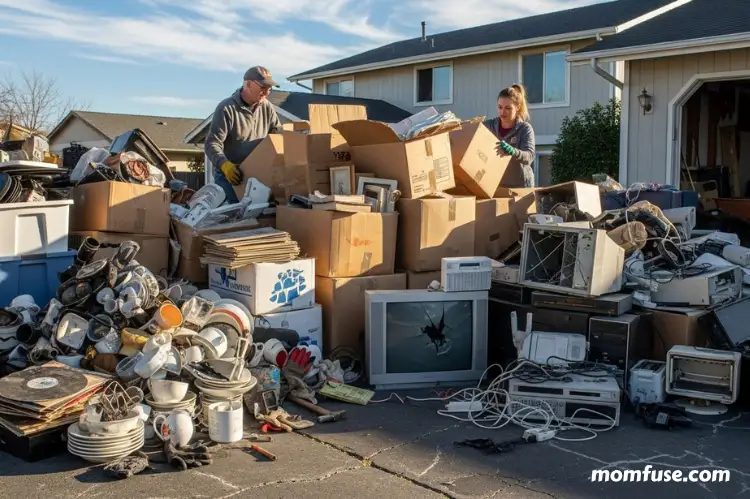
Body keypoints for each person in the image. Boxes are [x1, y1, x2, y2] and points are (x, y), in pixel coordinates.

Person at [205, 66, 282, 203]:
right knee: (232, 217)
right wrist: (225, 165)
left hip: (256, 175)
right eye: (263, 87)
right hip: (230, 176)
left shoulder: (267, 107)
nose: (266, 92)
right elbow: (212, 143)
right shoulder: (227, 108)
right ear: (248, 84)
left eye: (269, 88)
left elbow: (276, 136)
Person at [483, 84, 536, 188]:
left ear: (517, 107)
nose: (502, 112)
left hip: (520, 187)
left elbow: (529, 156)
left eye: (508, 108)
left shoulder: (525, 129)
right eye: (500, 107)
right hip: (497, 186)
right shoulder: (489, 126)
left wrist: (513, 151)